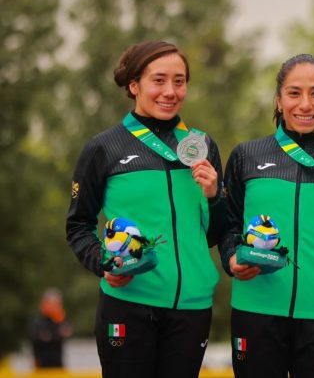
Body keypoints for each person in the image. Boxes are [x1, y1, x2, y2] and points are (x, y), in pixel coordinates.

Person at [66, 41, 225, 378]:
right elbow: (78, 225)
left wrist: (213, 195)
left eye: (179, 81)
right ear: (134, 85)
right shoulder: (104, 148)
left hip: (192, 307)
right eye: (159, 80)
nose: (170, 91)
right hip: (129, 303)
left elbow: (213, 235)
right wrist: (105, 264)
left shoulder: (203, 146)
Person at [219, 53, 314, 378]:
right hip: (256, 307)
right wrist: (231, 258)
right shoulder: (247, 156)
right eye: (294, 93)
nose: (305, 104)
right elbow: (228, 226)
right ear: (278, 99)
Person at [28, 288, 73, 369]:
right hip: (41, 364)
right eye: (55, 304)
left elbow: (66, 333)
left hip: (57, 363)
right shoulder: (37, 321)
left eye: (59, 304)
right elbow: (38, 337)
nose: (58, 307)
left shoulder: (60, 318)